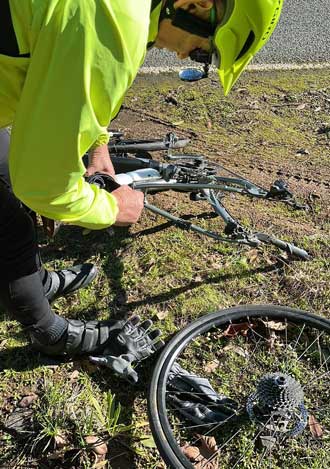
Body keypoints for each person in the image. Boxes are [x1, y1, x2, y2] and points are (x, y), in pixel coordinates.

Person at [0, 0, 283, 374]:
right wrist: (112, 210)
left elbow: (68, 77)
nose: (185, 54)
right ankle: (50, 334)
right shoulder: (116, 25)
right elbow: (42, 185)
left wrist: (97, 145)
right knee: (11, 227)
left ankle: (33, 282)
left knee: (7, 178)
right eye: (203, 52)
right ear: (193, 5)